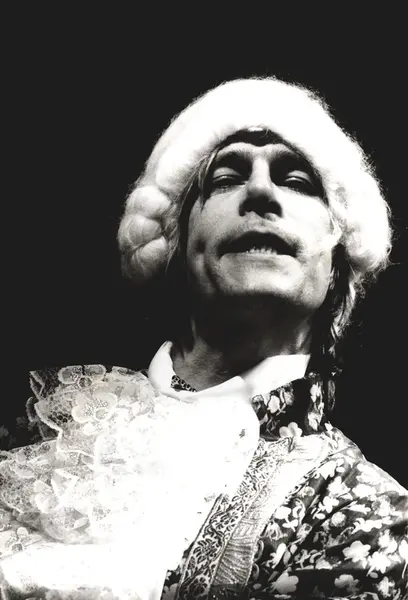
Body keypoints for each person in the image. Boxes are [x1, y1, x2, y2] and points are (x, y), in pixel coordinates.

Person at [0, 77, 407, 599]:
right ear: (177, 239)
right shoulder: (40, 421)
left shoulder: (362, 512)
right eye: (226, 177)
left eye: (298, 181)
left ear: (337, 262)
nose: (260, 192)